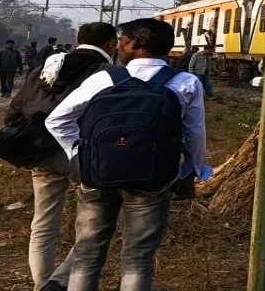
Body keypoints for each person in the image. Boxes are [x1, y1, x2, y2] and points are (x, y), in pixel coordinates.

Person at [45, 18, 211, 291]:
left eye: (122, 41)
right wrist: (191, 173)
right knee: (138, 257)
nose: (118, 46)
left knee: (87, 253)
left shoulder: (104, 78)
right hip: (153, 177)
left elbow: (57, 120)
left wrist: (80, 155)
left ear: (136, 44)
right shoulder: (186, 82)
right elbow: (195, 134)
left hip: (97, 175)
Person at [6, 22, 116, 291]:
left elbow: (13, 111)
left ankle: (42, 285)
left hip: (40, 152)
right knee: (96, 223)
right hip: (82, 154)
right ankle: (59, 281)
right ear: (112, 43)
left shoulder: (46, 67)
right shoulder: (107, 73)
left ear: (78, 39)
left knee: (43, 223)